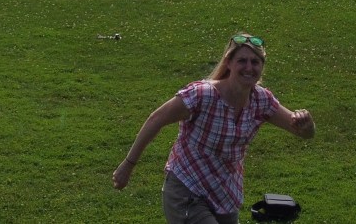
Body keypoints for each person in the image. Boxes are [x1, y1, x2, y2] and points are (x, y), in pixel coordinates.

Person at [112, 33, 315, 224]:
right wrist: (128, 165)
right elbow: (156, 119)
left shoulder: (261, 100)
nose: (249, 67)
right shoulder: (203, 95)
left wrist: (307, 125)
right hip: (187, 189)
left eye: (255, 62)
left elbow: (303, 132)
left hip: (225, 195)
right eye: (242, 61)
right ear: (228, 63)